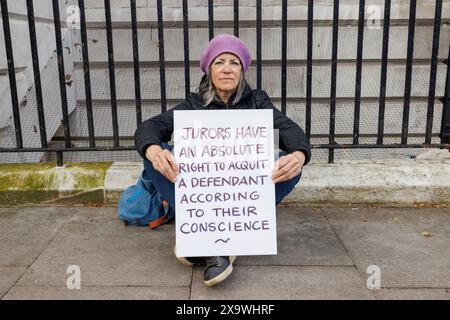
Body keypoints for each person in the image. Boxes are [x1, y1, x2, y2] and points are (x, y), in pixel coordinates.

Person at [134, 34, 311, 287]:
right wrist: (153, 151)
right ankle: (211, 237)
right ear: (209, 70)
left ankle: (211, 239)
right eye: (219, 62)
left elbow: (290, 130)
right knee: (155, 154)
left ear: (242, 70)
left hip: (241, 196)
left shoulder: (257, 101)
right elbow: (151, 127)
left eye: (234, 62)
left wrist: (298, 155)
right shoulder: (194, 105)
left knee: (290, 164)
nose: (227, 68)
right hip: (202, 193)